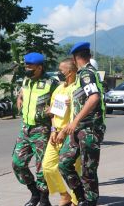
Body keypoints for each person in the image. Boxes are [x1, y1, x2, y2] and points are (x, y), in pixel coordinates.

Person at [59, 42, 106, 206]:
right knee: (64, 163)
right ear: (89, 55)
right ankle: (80, 198)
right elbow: (83, 100)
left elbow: (94, 98)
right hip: (78, 128)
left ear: (74, 58)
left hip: (90, 128)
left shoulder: (87, 74)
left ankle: (90, 201)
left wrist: (75, 121)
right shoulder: (82, 76)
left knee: (88, 169)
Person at [12, 52, 58, 206]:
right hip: (25, 128)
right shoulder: (27, 80)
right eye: (26, 65)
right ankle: (34, 193)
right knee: (17, 164)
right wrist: (19, 97)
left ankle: (44, 199)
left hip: (42, 129)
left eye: (30, 67)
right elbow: (23, 92)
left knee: (41, 167)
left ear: (40, 67)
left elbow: (63, 100)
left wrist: (55, 111)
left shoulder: (51, 83)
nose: (27, 69)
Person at [42, 58, 80, 206]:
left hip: (71, 135)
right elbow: (53, 113)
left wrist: (64, 131)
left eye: (61, 70)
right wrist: (53, 130)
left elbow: (78, 115)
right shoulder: (58, 89)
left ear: (69, 72)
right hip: (56, 133)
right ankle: (64, 195)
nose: (58, 72)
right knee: (48, 167)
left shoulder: (77, 89)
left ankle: (77, 200)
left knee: (75, 169)